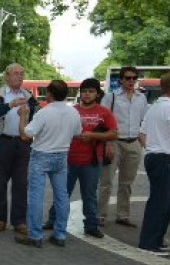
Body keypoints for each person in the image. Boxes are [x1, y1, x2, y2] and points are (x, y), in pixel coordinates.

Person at [43, 78, 116, 237]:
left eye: (91, 91)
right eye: (84, 91)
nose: (87, 94)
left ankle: (91, 225)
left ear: (97, 94)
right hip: (68, 159)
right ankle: (53, 219)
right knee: (62, 192)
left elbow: (114, 133)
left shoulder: (104, 112)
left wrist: (93, 135)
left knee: (89, 194)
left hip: (92, 160)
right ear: (80, 93)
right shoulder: (71, 110)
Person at [16, 80, 81, 248]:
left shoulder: (44, 113)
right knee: (62, 195)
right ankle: (60, 234)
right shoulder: (73, 113)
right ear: (66, 94)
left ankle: (35, 235)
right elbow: (77, 133)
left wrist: (22, 116)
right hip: (61, 155)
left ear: (50, 94)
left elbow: (25, 135)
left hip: (42, 154)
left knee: (35, 195)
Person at [137, 71, 170, 256]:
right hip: (164, 159)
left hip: (154, 157)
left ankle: (154, 239)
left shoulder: (154, 106)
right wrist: (160, 146)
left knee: (165, 200)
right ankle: (149, 243)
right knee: (161, 202)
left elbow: (141, 135)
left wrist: (152, 147)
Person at [0, 63, 36, 235]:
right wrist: (9, 105)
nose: (20, 77)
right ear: (7, 76)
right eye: (16, 73)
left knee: (21, 183)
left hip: (22, 143)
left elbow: (37, 117)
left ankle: (19, 221)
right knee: (0, 182)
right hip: (3, 141)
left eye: (22, 73)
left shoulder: (28, 96)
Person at [98, 66, 147, 227]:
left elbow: (144, 122)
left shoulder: (141, 98)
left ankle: (123, 215)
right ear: (121, 80)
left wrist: (142, 142)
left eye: (134, 78)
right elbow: (103, 122)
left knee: (127, 183)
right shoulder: (111, 97)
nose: (131, 81)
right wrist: (108, 143)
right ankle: (100, 215)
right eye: (127, 78)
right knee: (106, 181)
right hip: (115, 142)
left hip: (133, 143)